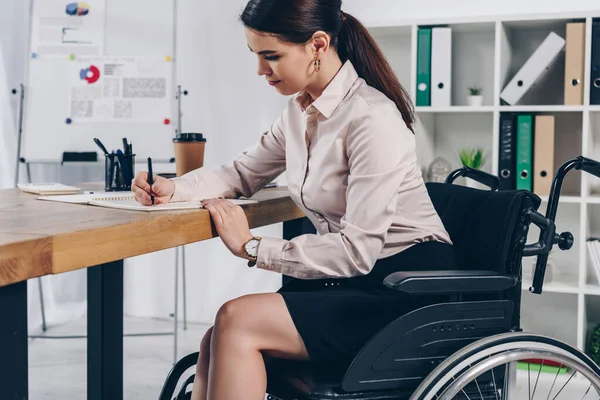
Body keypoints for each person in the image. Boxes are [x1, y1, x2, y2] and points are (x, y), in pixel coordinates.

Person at [132, 1, 456, 399]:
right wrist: (174, 188)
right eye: (256, 56)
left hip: (404, 290)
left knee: (236, 319)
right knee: (216, 337)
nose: (260, 71)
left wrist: (251, 246)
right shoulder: (299, 112)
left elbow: (359, 251)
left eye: (272, 56)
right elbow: (241, 172)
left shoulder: (372, 118)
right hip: (349, 281)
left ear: (317, 44)